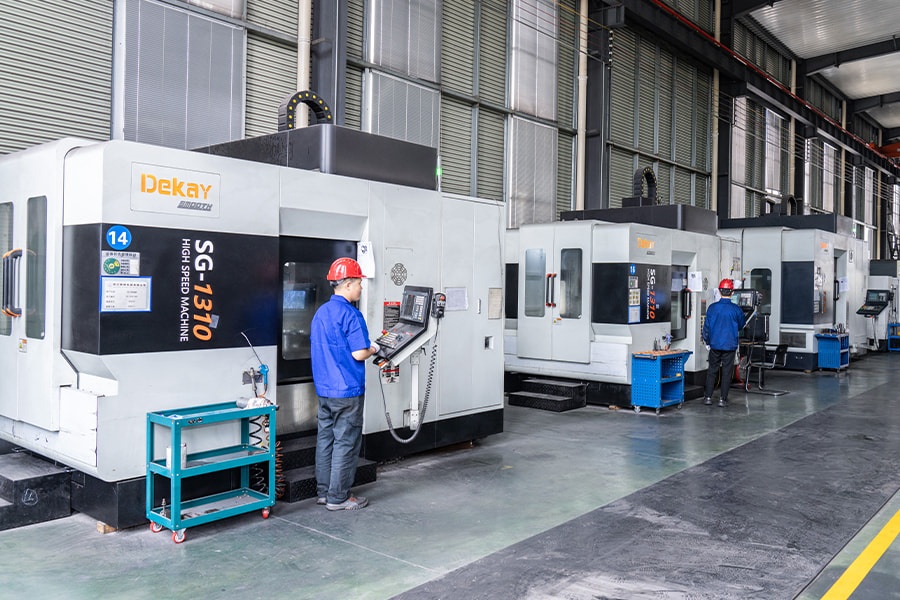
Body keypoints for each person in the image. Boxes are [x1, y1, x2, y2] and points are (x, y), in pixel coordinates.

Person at [310, 257, 380, 510]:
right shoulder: (351, 314)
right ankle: (338, 497)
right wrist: (374, 348)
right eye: (359, 283)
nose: (361, 288)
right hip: (347, 391)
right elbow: (359, 353)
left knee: (326, 439)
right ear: (348, 284)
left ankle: (324, 492)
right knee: (346, 442)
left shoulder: (321, 313)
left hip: (325, 390)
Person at [701, 278, 746, 407]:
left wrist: (707, 341)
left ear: (720, 292)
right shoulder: (736, 309)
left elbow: (706, 328)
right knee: (726, 372)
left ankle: (708, 397)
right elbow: (741, 325)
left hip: (715, 344)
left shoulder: (712, 308)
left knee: (712, 370)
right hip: (730, 345)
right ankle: (722, 399)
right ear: (732, 293)